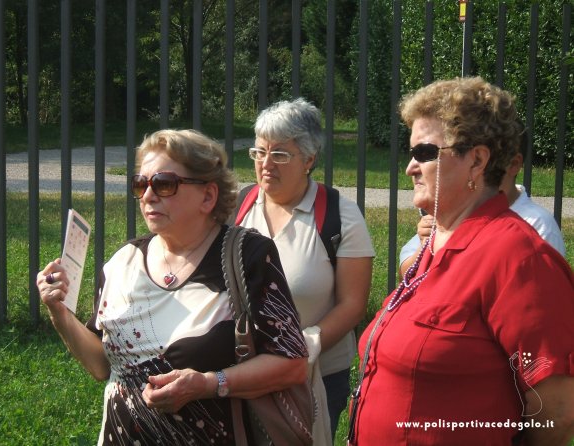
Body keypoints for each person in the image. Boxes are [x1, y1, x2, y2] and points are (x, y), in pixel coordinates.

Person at [36, 129, 309, 446]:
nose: (148, 195)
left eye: (164, 184)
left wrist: (209, 383)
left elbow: (292, 364)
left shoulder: (247, 256)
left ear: (208, 196)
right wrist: (59, 313)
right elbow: (100, 365)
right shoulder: (121, 264)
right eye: (141, 184)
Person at [348, 77, 574, 446]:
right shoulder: (437, 241)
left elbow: (557, 412)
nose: (410, 168)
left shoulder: (518, 258)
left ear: (478, 160)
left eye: (425, 152)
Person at [235, 98, 375, 440]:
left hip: (315, 375)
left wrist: (303, 346)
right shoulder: (238, 206)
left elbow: (353, 304)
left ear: (309, 160)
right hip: (243, 371)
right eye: (260, 152)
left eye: (281, 154)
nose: (267, 164)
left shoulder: (340, 216)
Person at [399, 147, 566, 276]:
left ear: (514, 164)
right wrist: (425, 245)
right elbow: (408, 275)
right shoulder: (460, 208)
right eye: (473, 159)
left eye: (483, 160)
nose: (476, 168)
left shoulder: (537, 224)